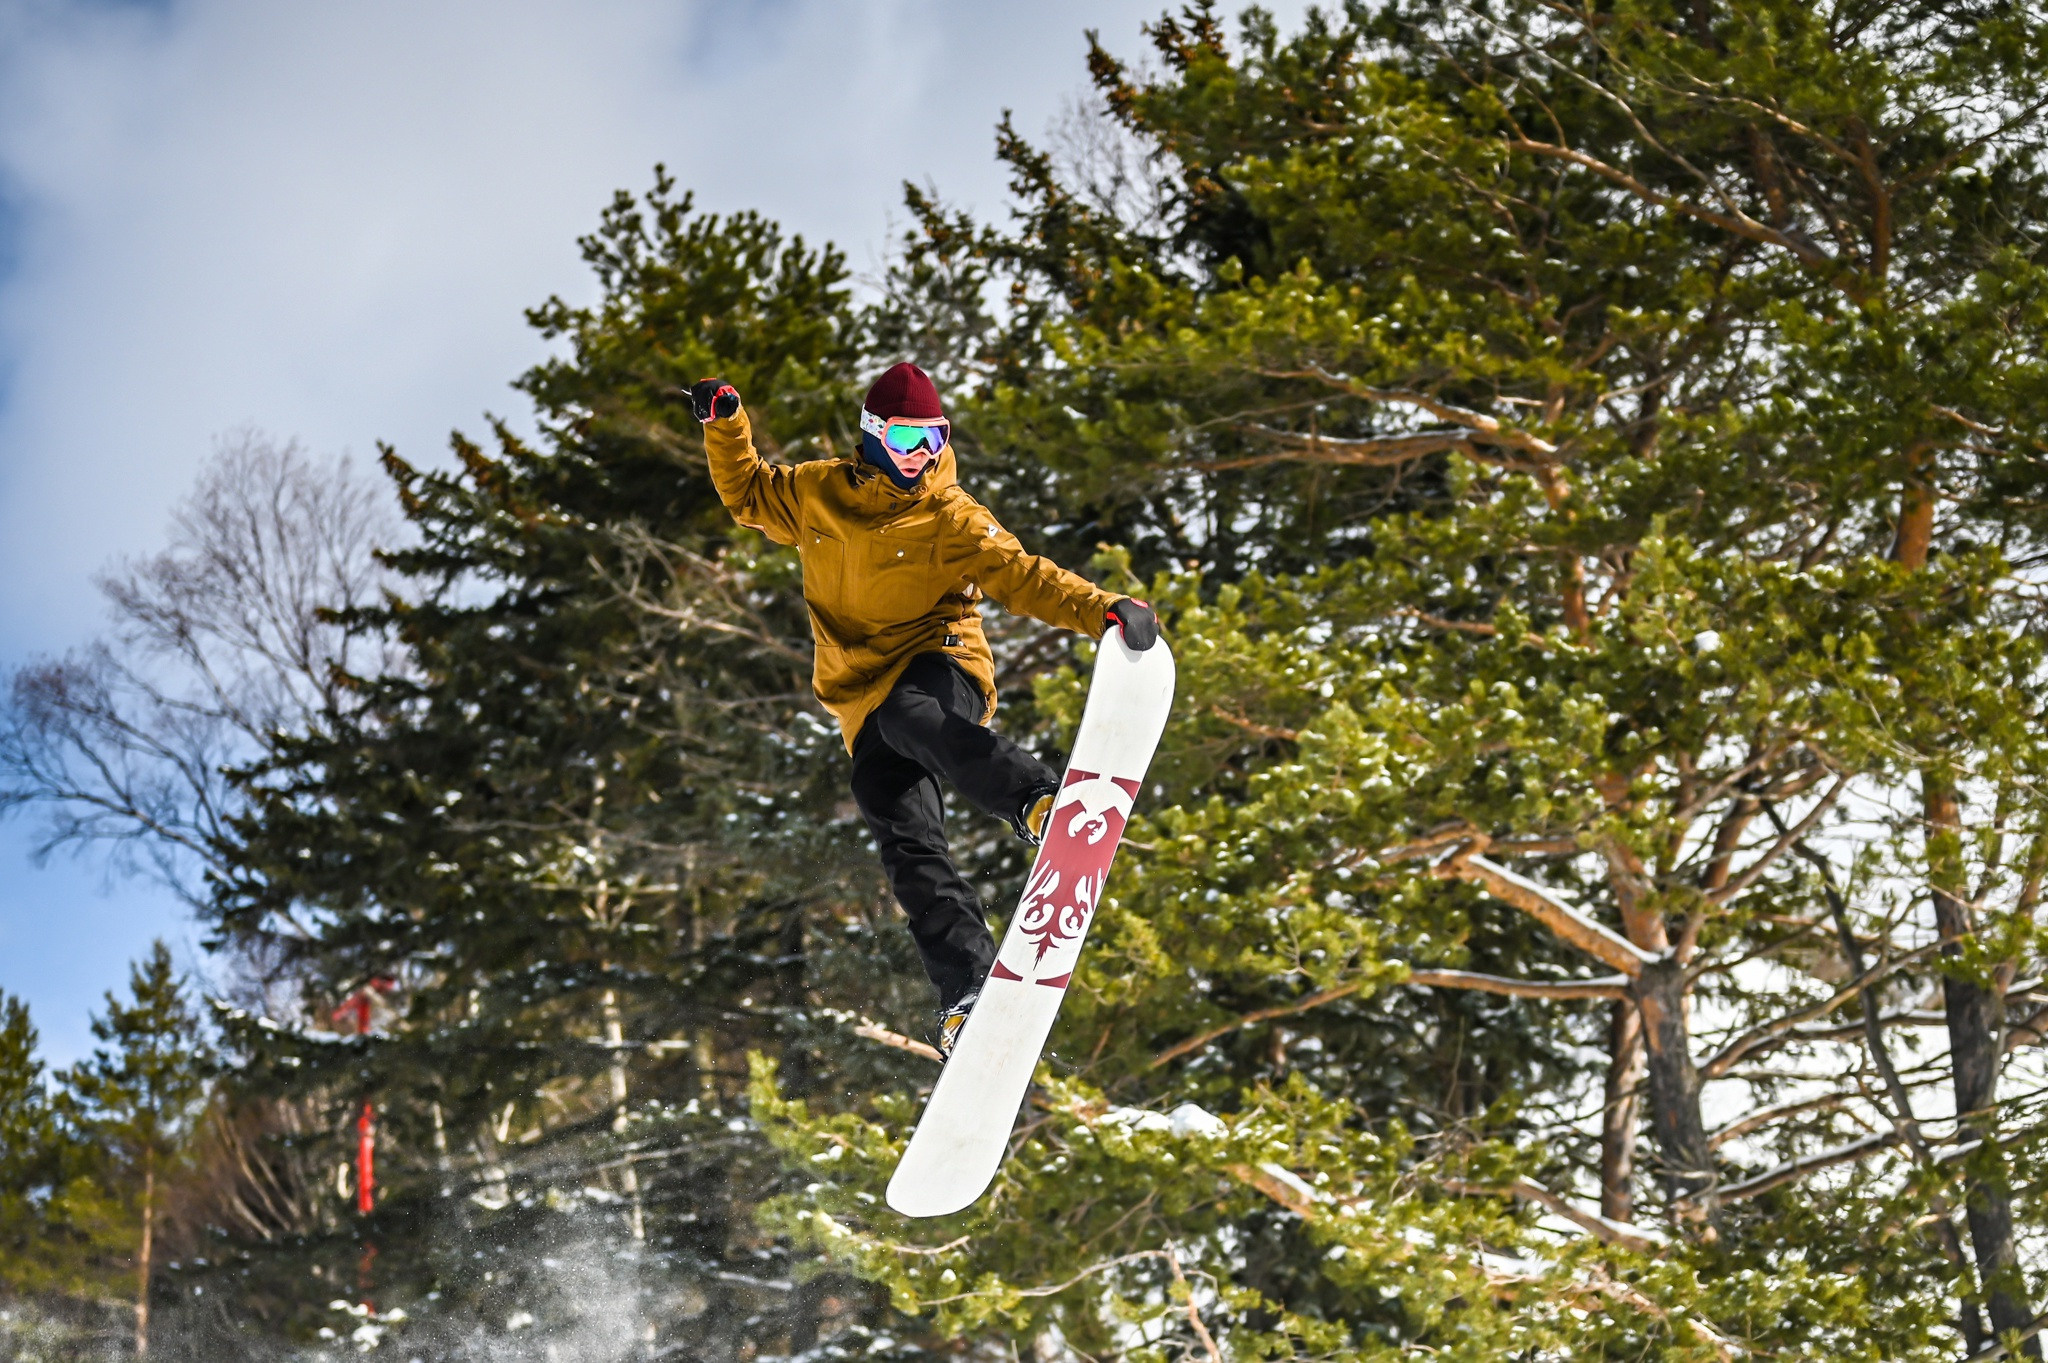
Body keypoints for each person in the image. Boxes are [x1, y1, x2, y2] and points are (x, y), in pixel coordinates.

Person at [687, 363, 1159, 1056]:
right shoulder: (817, 492)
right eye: (907, 437)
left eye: (933, 438)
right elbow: (749, 490)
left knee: (913, 715)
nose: (921, 455)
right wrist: (726, 425)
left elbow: (1027, 576)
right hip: (860, 696)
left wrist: (1104, 610)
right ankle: (969, 987)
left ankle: (1038, 801)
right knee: (898, 825)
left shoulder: (951, 514)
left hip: (942, 664)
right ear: (873, 435)